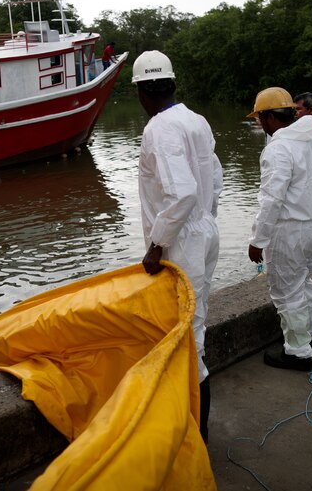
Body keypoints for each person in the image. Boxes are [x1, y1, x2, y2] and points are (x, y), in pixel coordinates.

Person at [134, 50, 222, 443]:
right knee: (193, 324)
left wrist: (156, 245)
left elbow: (182, 192)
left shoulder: (159, 128)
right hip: (201, 229)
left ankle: (194, 434)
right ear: (171, 84)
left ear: (142, 91)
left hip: (181, 239)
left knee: (186, 336)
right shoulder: (195, 120)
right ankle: (192, 427)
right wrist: (205, 219)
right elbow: (214, 179)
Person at [247, 87, 312, 372]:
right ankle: (309, 337)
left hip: (292, 232)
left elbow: (271, 199)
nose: (259, 124)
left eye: (259, 118)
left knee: (287, 292)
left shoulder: (278, 148)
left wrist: (257, 240)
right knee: (302, 283)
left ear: (270, 118)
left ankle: (298, 353)